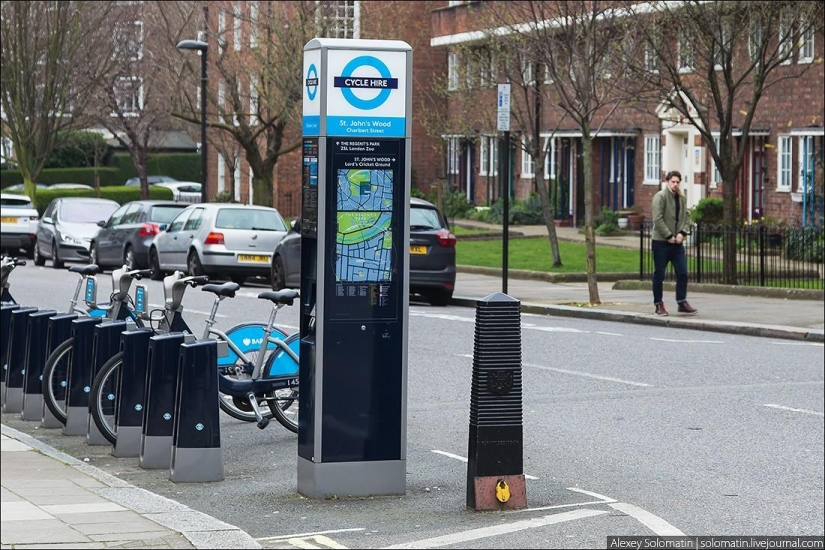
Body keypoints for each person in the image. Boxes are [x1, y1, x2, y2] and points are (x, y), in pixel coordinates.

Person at [651, 170, 697, 316]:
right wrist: (668, 235)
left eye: (678, 182)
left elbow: (687, 218)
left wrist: (682, 233)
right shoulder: (661, 197)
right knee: (659, 274)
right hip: (661, 242)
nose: (675, 184)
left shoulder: (682, 198)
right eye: (673, 182)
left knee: (682, 272)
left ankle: (681, 301)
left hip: (677, 244)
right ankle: (659, 304)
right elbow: (657, 219)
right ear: (667, 182)